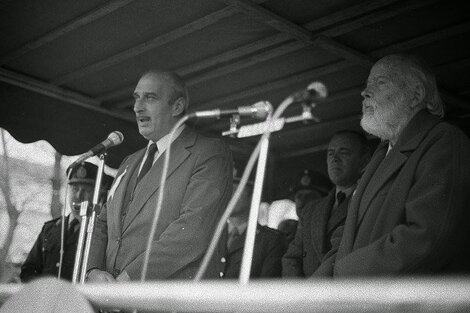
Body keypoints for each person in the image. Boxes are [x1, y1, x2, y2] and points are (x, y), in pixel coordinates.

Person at [314, 54, 470, 277]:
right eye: (367, 85)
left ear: (415, 95)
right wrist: (318, 283)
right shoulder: (382, 154)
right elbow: (347, 235)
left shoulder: (445, 141)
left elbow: (427, 238)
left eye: (380, 82)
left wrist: (342, 276)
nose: (365, 92)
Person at [86, 70, 233, 282]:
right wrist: (93, 271)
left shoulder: (208, 153)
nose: (138, 107)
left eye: (150, 97)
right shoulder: (129, 162)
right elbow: (103, 223)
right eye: (136, 98)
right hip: (113, 298)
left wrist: (129, 278)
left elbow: (191, 232)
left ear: (177, 106)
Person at [282, 131, 370, 277]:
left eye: (344, 152)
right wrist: (297, 295)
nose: (335, 159)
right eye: (330, 153)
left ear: (364, 160)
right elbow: (292, 257)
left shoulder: (367, 201)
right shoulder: (311, 210)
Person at [20, 162, 113, 282]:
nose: (79, 196)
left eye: (87, 190)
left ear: (98, 196)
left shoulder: (100, 233)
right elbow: (28, 271)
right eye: (75, 189)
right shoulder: (50, 228)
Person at [222, 182, 287, 279]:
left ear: (252, 197)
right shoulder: (210, 236)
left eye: (234, 190)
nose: (228, 195)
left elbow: (266, 288)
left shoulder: (270, 241)